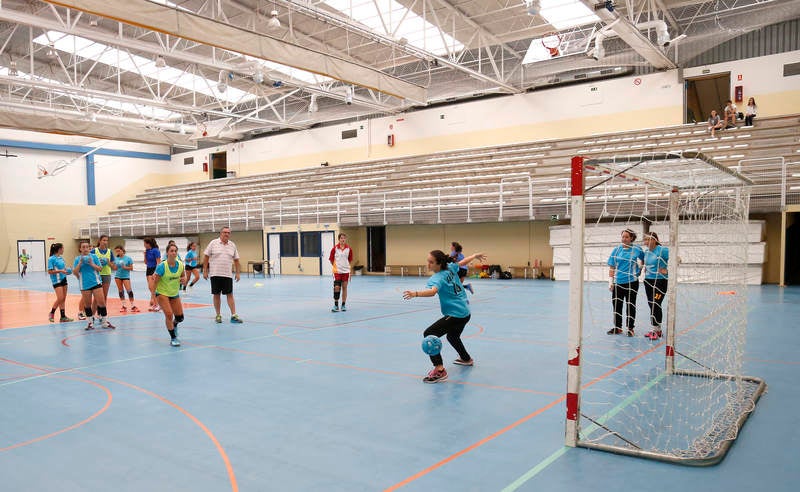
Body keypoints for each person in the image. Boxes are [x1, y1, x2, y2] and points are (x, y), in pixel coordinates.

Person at [403, 249, 487, 383]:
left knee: (429, 334)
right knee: (452, 336)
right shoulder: (450, 268)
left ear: (439, 264)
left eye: (431, 262)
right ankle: (466, 359)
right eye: (428, 261)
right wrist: (474, 256)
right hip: (465, 312)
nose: (428, 264)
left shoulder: (437, 278)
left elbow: (432, 291)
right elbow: (462, 262)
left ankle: (440, 370)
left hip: (456, 314)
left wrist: (415, 294)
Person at [607, 228, 644, 337]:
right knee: (617, 305)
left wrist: (640, 269)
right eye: (623, 236)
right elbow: (612, 266)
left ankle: (630, 328)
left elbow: (643, 259)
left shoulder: (637, 249)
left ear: (631, 238)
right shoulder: (616, 250)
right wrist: (610, 282)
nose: (624, 239)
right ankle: (618, 327)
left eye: (627, 237)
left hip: (632, 282)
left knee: (630, 305)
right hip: (618, 282)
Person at [203, 227, 243, 324]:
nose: (227, 234)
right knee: (216, 295)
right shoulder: (213, 243)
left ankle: (233, 316)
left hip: (227, 275)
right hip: (215, 274)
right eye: (225, 232)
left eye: (228, 233)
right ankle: (218, 315)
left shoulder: (232, 245)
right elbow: (206, 257)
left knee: (230, 295)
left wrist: (237, 273)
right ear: (221, 233)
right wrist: (205, 270)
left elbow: (237, 260)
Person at [150, 243, 187, 347]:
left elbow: (184, 278)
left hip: (174, 293)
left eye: (175, 251)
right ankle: (173, 338)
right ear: (167, 253)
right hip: (162, 293)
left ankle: (174, 325)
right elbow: (155, 283)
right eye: (171, 251)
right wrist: (153, 298)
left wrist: (184, 281)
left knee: (180, 318)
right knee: (169, 314)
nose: (174, 253)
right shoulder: (162, 266)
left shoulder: (180, 265)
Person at [73, 240, 115, 331]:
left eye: (87, 247)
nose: (85, 249)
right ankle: (90, 323)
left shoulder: (94, 257)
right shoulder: (77, 259)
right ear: (80, 249)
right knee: (87, 305)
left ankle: (104, 322)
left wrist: (91, 263)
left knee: (101, 302)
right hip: (84, 284)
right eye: (83, 247)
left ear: (89, 248)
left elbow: (100, 269)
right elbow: (75, 272)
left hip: (96, 283)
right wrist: (80, 263)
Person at [642, 232, 669, 340]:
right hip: (648, 281)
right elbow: (647, 264)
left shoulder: (663, 250)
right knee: (651, 304)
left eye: (649, 239)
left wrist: (666, 270)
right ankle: (657, 329)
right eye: (645, 240)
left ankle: (656, 329)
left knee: (656, 303)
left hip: (660, 282)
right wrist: (642, 268)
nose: (647, 242)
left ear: (655, 240)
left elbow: (678, 259)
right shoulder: (646, 252)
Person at [46, 243, 73, 323]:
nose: (63, 250)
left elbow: (64, 269)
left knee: (63, 299)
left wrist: (67, 271)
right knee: (60, 298)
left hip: (64, 279)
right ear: (59, 249)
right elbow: (50, 271)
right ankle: (52, 313)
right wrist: (61, 271)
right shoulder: (51, 259)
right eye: (63, 248)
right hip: (56, 281)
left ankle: (63, 317)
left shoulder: (61, 258)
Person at [92, 235, 116, 314]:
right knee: (96, 297)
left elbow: (113, 266)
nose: (105, 242)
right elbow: (89, 262)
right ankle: (92, 314)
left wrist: (108, 262)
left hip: (106, 275)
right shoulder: (94, 251)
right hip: (96, 275)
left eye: (106, 240)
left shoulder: (109, 252)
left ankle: (102, 314)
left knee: (104, 296)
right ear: (99, 241)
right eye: (104, 240)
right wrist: (97, 262)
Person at [329, 233, 353, 312]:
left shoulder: (349, 249)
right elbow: (331, 259)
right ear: (339, 239)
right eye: (341, 238)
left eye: (344, 238)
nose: (343, 239)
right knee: (337, 287)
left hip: (346, 271)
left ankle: (343, 305)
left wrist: (349, 269)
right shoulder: (335, 248)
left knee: (344, 288)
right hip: (337, 271)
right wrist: (336, 266)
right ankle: (336, 305)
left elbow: (349, 260)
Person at [113, 245, 139, 313]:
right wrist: (115, 266)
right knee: (121, 291)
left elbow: (131, 268)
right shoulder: (116, 259)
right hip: (118, 276)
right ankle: (124, 306)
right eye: (116, 251)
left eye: (119, 251)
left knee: (129, 291)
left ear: (122, 250)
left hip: (125, 276)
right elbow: (114, 268)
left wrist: (124, 267)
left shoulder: (128, 258)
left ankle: (133, 306)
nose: (118, 252)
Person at [143, 237, 161, 312]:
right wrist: (144, 255)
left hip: (154, 269)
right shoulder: (147, 251)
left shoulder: (156, 251)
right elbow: (146, 262)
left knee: (151, 287)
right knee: (152, 288)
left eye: (144, 243)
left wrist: (155, 272)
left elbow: (158, 262)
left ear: (148, 244)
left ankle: (157, 305)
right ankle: (155, 304)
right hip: (148, 269)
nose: (144, 245)